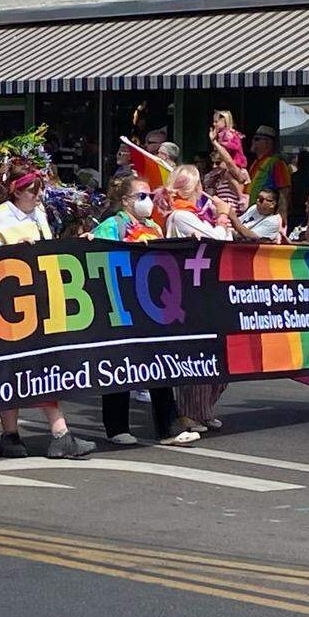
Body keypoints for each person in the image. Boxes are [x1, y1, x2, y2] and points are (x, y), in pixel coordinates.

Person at [0, 164, 95, 460]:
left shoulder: (39, 215)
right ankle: (20, 434)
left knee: (42, 368)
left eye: (39, 189)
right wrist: (13, 250)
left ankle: (50, 434)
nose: (37, 195)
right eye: (32, 190)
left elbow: (48, 252)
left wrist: (75, 245)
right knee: (14, 368)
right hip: (9, 305)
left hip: (39, 301)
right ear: (16, 190)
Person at [91, 177, 201, 447]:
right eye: (141, 196)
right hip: (121, 304)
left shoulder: (153, 226)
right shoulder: (112, 225)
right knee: (120, 363)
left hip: (152, 305)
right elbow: (98, 258)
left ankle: (169, 427)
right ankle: (116, 427)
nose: (148, 201)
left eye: (150, 195)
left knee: (159, 364)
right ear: (126, 201)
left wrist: (189, 244)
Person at [161, 165, 234, 432]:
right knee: (198, 354)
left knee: (220, 354)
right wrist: (224, 217)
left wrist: (219, 218)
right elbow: (219, 241)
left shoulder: (197, 215)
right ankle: (190, 413)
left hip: (208, 289)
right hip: (189, 294)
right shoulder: (181, 216)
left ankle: (204, 409)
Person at [247, 125, 291, 226]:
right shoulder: (255, 162)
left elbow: (285, 191)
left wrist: (281, 217)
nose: (253, 142)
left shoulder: (277, 163)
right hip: (254, 212)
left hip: (267, 215)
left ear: (268, 142)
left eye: (257, 139)